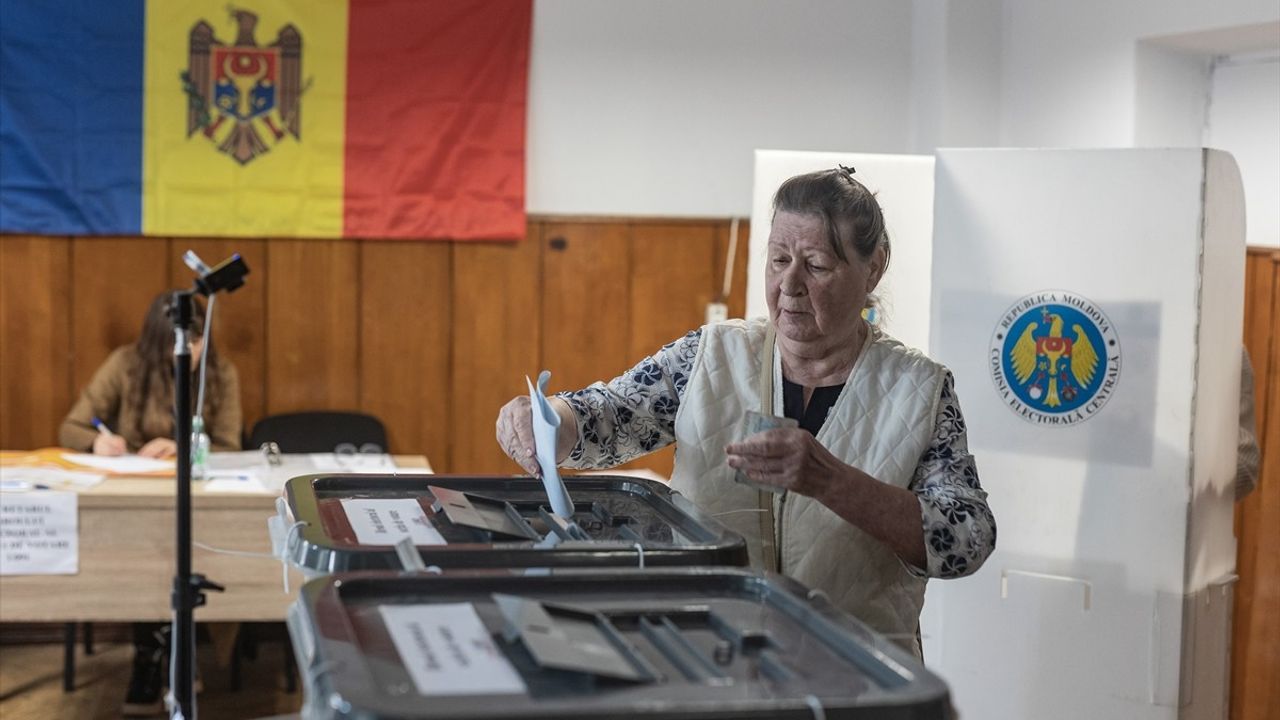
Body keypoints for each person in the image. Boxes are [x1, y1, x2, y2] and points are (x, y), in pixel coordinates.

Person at [496, 166, 995, 658]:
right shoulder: (712, 355)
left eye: (816, 265)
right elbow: (613, 414)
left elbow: (966, 539)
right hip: (708, 657)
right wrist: (549, 419)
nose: (790, 284)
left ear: (875, 267)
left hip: (854, 676)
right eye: (778, 260)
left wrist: (830, 481)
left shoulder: (920, 389)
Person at [58, 291, 242, 716]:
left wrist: (184, 447)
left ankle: (179, 650)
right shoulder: (125, 364)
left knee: (186, 553)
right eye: (182, 341)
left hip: (197, 502)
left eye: (198, 341)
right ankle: (150, 655)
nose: (191, 350)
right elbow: (72, 426)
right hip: (135, 499)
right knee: (148, 554)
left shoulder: (221, 374)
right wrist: (97, 441)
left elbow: (232, 445)